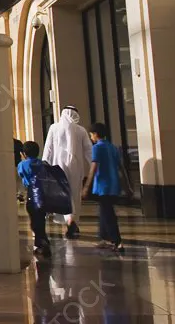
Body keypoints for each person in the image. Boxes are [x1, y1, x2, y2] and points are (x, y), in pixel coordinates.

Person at [42, 105, 92, 239]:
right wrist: (92, 164)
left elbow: (48, 147)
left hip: (58, 166)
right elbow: (88, 150)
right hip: (76, 167)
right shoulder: (81, 130)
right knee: (74, 193)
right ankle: (72, 220)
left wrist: (44, 163)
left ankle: (69, 221)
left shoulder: (54, 127)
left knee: (63, 193)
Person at [83, 122, 130, 252]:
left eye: (91, 135)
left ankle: (117, 241)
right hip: (114, 185)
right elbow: (121, 168)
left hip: (103, 186)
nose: (91, 137)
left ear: (95, 134)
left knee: (108, 214)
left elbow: (93, 168)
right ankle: (104, 238)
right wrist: (127, 187)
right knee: (104, 212)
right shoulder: (112, 147)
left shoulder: (97, 148)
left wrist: (87, 186)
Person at [17, 140, 51, 257]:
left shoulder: (22, 165)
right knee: (41, 219)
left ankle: (42, 242)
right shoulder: (43, 163)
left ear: (24, 154)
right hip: (43, 195)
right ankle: (42, 240)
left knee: (34, 220)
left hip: (32, 194)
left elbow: (21, 175)